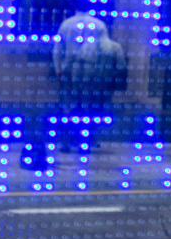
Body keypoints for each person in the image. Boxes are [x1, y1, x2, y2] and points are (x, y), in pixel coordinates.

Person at [52, 12, 126, 151]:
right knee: (87, 106)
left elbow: (57, 49)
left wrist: (58, 69)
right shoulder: (99, 24)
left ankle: (66, 142)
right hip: (90, 70)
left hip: (68, 70)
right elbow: (105, 49)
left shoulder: (66, 24)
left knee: (68, 106)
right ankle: (84, 142)